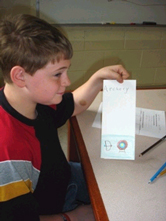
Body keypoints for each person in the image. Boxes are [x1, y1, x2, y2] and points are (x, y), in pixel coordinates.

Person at [0, 14, 129, 221]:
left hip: (61, 179)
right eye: (58, 74)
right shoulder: (8, 150)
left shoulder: (34, 99)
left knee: (124, 181)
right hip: (53, 209)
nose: (67, 81)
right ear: (20, 76)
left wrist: (98, 78)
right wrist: (73, 216)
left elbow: (75, 103)